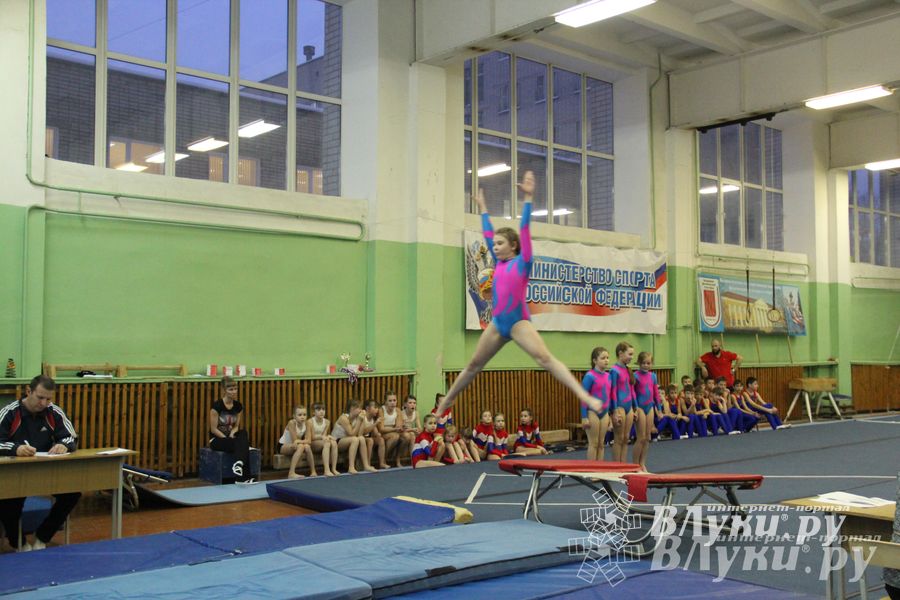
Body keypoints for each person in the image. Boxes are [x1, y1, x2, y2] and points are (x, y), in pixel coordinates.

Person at [437, 172, 603, 417]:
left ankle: (584, 395)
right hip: (497, 323)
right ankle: (447, 401)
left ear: (513, 245)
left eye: (500, 243)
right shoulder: (498, 262)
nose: (495, 247)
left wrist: (527, 198)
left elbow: (525, 229)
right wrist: (482, 208)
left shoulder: (523, 262)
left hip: (517, 322)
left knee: (544, 358)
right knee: (473, 365)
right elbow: (487, 233)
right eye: (495, 245)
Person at [0, 375, 79, 552]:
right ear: (29, 392)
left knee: (72, 494)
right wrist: (15, 448)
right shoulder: (10, 412)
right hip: (14, 474)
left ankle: (42, 536)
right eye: (40, 397)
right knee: (7, 500)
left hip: (46, 472)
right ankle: (18, 542)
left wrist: (63, 445)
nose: (44, 403)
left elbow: (71, 437)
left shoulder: (54, 412)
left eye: (49, 399)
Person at [209, 376, 253, 483]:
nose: (234, 392)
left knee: (243, 433)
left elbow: (236, 426)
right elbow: (213, 429)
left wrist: (233, 432)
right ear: (224, 390)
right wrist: (227, 438)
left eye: (235, 389)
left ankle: (238, 465)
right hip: (217, 439)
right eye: (230, 389)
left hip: (231, 438)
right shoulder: (217, 407)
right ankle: (243, 477)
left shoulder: (238, 406)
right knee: (242, 445)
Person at [581, 347, 612, 461]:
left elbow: (609, 397)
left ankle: (600, 470)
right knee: (593, 444)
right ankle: (591, 470)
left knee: (601, 444)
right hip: (592, 412)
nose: (606, 360)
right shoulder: (589, 376)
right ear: (595, 360)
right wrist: (584, 417)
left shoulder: (609, 376)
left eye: (608, 358)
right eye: (603, 358)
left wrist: (611, 416)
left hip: (604, 413)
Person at [331, 400, 376, 474]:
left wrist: (362, 420)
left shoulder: (358, 418)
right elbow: (351, 434)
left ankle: (366, 465)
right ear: (352, 409)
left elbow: (360, 434)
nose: (361, 410)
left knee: (361, 438)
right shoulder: (343, 418)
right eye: (359, 408)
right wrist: (359, 420)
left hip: (347, 440)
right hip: (336, 441)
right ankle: (351, 467)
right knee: (354, 439)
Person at [632, 352, 660, 470]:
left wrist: (659, 408)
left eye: (648, 363)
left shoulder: (653, 376)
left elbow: (655, 393)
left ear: (651, 364)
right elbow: (633, 393)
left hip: (650, 407)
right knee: (641, 437)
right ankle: (634, 464)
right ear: (639, 363)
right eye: (643, 363)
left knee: (648, 437)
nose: (645, 365)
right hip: (640, 407)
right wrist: (636, 408)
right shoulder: (635, 376)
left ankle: (642, 463)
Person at [609, 342, 636, 463]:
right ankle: (616, 465)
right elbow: (612, 391)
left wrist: (635, 408)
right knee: (618, 438)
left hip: (629, 406)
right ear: (620, 353)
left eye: (632, 354)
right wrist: (614, 411)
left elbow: (632, 390)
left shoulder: (627, 369)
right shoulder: (614, 370)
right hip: (619, 406)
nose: (631, 357)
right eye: (629, 354)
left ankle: (623, 463)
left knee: (626, 438)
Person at [278, 406, 316, 479]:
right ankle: (291, 473)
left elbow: (309, 441)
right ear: (294, 416)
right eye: (300, 415)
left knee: (307, 447)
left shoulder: (308, 423)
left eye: (304, 415)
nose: (302, 417)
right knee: (301, 446)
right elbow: (294, 440)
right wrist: (298, 441)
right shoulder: (292, 423)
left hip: (297, 444)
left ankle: (313, 471)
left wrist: (298, 441)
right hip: (283, 445)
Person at [309, 402, 338, 476]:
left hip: (321, 442)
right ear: (313, 412)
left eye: (323, 409)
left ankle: (334, 468)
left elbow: (324, 436)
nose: (321, 411)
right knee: (327, 443)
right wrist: (323, 437)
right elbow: (312, 437)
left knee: (334, 442)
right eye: (318, 409)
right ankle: (326, 470)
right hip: (312, 442)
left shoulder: (327, 422)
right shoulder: (310, 421)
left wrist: (328, 436)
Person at [377, 391, 404, 468]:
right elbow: (381, 429)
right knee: (395, 436)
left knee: (407, 436)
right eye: (390, 401)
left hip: (393, 432)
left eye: (394, 400)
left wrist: (399, 428)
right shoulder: (381, 410)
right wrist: (394, 428)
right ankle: (383, 459)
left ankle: (398, 459)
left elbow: (398, 427)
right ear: (385, 401)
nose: (393, 403)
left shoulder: (398, 410)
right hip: (381, 434)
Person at [361, 400, 388, 470]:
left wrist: (378, 434)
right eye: (375, 407)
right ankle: (368, 464)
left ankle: (381, 463)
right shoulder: (363, 417)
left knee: (381, 440)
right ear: (367, 408)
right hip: (360, 437)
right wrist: (375, 423)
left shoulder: (372, 419)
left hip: (367, 438)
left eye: (377, 408)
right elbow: (363, 432)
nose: (377, 410)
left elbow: (376, 433)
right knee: (370, 440)